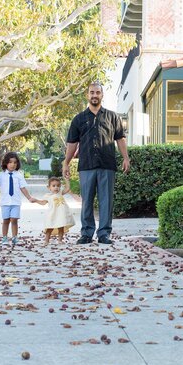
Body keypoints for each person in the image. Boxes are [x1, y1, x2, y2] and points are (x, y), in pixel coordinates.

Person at [63, 82, 130, 245]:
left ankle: (104, 234)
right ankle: (86, 233)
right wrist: (66, 162)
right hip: (86, 166)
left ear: (102, 95)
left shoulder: (113, 117)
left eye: (97, 92)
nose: (94, 95)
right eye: (92, 92)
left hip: (107, 164)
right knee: (86, 200)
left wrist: (126, 158)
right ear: (87, 95)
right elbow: (72, 143)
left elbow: (120, 138)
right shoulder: (79, 119)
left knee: (106, 201)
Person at [0, 152, 42, 247]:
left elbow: (23, 187)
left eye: (15, 162)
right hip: (5, 202)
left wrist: (29, 198)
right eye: (10, 162)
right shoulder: (1, 175)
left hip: (16, 202)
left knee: (14, 219)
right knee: (6, 220)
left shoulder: (19, 175)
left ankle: (15, 237)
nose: (12, 164)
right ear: (6, 163)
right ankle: (4, 238)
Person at [40, 176, 75, 246]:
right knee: (50, 227)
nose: (56, 187)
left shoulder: (60, 193)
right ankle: (46, 241)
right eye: (53, 186)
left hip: (61, 214)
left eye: (58, 186)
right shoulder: (48, 196)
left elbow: (67, 189)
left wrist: (67, 180)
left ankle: (60, 240)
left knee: (61, 227)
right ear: (49, 187)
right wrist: (35, 200)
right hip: (52, 214)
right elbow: (43, 203)